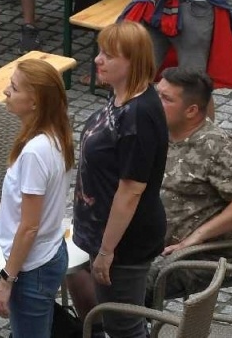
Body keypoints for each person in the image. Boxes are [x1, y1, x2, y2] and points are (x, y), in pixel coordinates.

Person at [64, 21, 168, 331]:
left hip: (125, 240)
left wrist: (107, 251)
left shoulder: (138, 115)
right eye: (100, 52)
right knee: (96, 303)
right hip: (99, 228)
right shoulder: (122, 96)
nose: (97, 60)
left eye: (108, 55)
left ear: (132, 62)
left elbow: (130, 191)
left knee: (123, 324)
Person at [150, 68, 232, 304]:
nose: (155, 102)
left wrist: (195, 238)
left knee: (119, 284)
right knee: (82, 266)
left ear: (191, 111)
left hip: (196, 258)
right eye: (157, 94)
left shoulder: (216, 148)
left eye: (166, 99)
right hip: (151, 244)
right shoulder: (161, 132)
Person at [0, 59, 74, 337]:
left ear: (35, 101)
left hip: (32, 265)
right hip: (49, 251)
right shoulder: (56, 136)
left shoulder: (34, 152)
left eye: (14, 88)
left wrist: (7, 279)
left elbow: (29, 226)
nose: (6, 92)